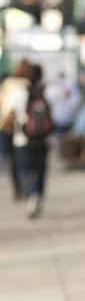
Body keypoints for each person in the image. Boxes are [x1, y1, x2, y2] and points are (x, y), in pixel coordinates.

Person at [8, 64, 53, 219]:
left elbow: (11, 112)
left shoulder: (19, 92)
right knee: (40, 170)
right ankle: (38, 193)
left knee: (25, 169)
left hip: (22, 137)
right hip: (44, 138)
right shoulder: (47, 91)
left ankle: (31, 193)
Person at [0, 60, 31, 199]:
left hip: (8, 125)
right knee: (24, 158)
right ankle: (26, 187)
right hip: (27, 127)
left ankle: (18, 188)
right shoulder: (29, 84)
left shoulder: (8, 83)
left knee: (12, 159)